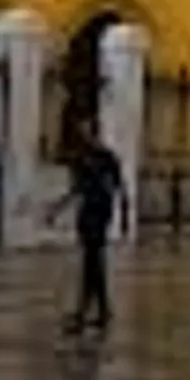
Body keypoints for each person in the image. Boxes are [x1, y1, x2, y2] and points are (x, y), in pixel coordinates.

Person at [47, 116, 128, 335]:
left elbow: (120, 187)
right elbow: (77, 188)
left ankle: (88, 310)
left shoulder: (107, 157)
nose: (83, 136)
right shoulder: (82, 159)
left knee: (93, 262)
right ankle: (97, 309)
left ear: (94, 132)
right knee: (92, 262)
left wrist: (124, 217)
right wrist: (57, 208)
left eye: (86, 132)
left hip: (100, 214)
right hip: (87, 214)